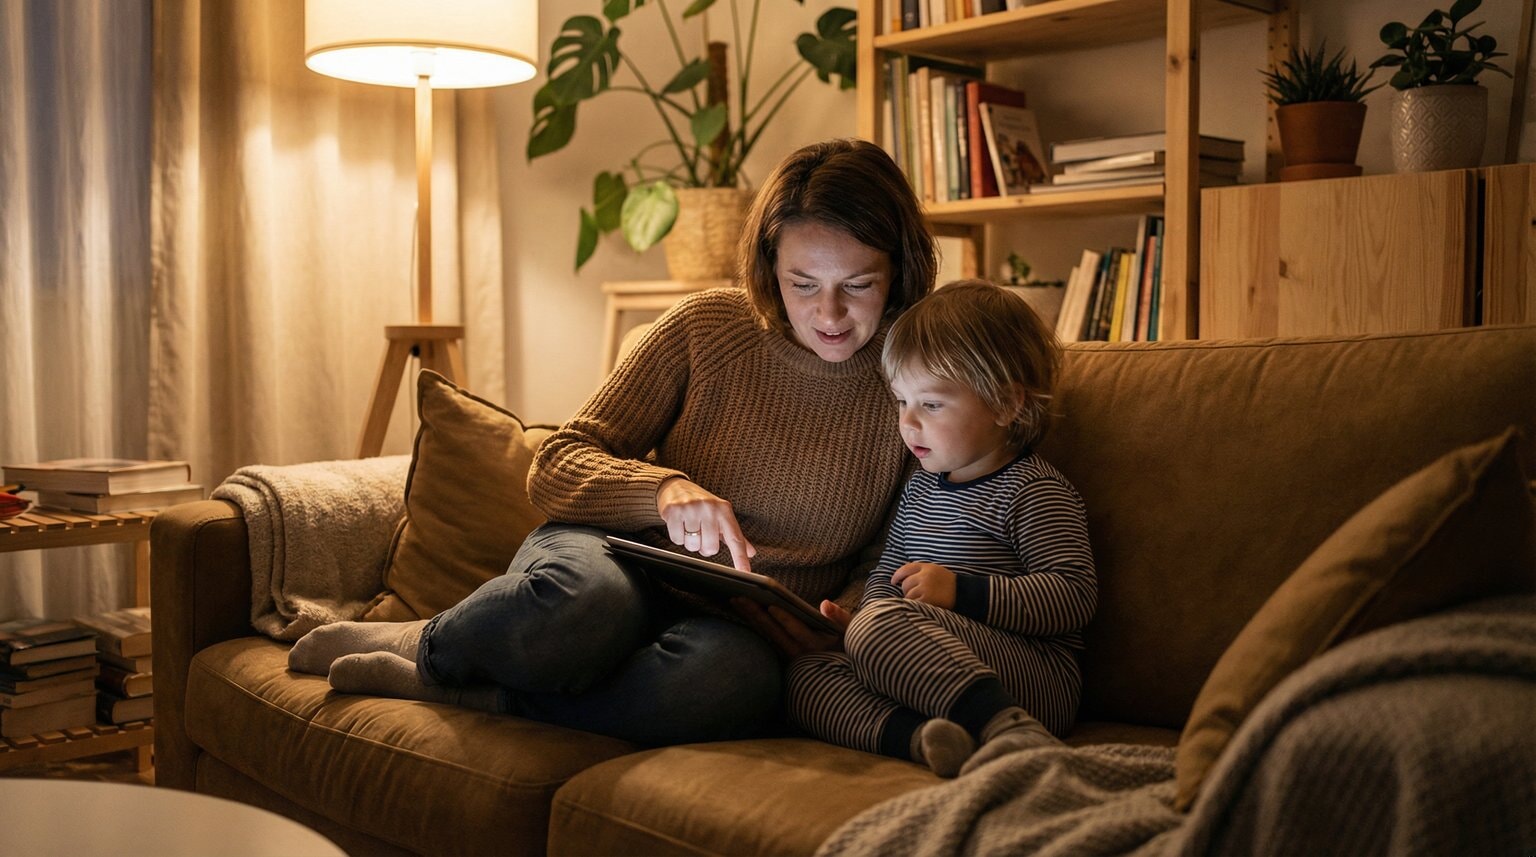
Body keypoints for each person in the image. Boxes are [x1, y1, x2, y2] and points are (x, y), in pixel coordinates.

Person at [286, 138, 938, 746]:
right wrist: (664, 490)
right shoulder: (706, 328)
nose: (828, 314)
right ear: (771, 265)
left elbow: (890, 546)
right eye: (803, 283)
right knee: (580, 608)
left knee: (735, 684)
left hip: (734, 622)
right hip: (616, 552)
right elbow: (556, 463)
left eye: (857, 285)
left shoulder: (916, 380)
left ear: (899, 271)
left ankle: (482, 695)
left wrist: (841, 616)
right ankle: (432, 646)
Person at [785, 280, 1097, 777]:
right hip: (925, 666)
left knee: (881, 625)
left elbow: (1073, 596)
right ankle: (926, 740)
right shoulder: (920, 490)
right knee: (808, 674)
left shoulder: (1033, 490)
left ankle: (1013, 733)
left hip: (1032, 678)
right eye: (900, 402)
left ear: (1005, 404)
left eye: (930, 405)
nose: (908, 423)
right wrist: (852, 623)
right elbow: (887, 577)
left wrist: (959, 592)